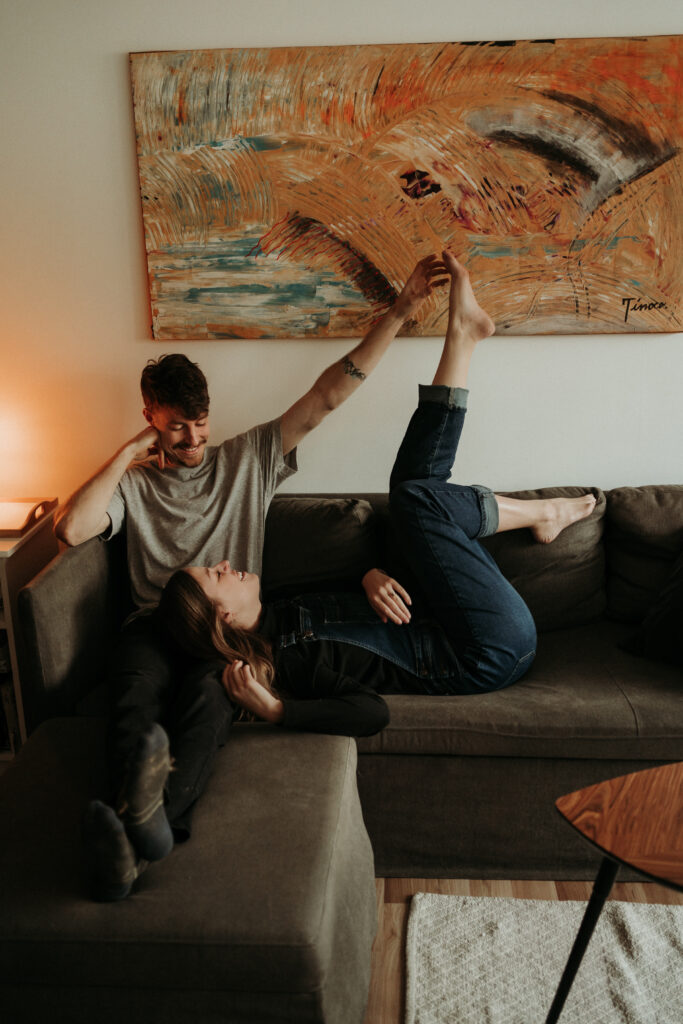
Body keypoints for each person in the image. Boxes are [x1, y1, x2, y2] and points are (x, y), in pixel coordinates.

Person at [55, 255, 448, 901]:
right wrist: (124, 453)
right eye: (176, 424)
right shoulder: (132, 484)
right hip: (156, 625)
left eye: (199, 422)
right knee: (134, 699)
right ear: (151, 414)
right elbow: (71, 531)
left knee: (212, 697)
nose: (192, 437)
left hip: (222, 630)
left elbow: (327, 395)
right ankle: (137, 835)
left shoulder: (247, 459)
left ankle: (133, 839)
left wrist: (399, 312)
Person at [158, 251, 597, 752]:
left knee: (413, 483)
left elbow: (346, 596)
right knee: (416, 501)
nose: (224, 563)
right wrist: (278, 710)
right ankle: (543, 512)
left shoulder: (276, 600)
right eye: (214, 576)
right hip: (486, 649)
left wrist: (366, 577)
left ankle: (463, 336)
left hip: (457, 619)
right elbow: (371, 712)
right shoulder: (288, 664)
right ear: (225, 619)